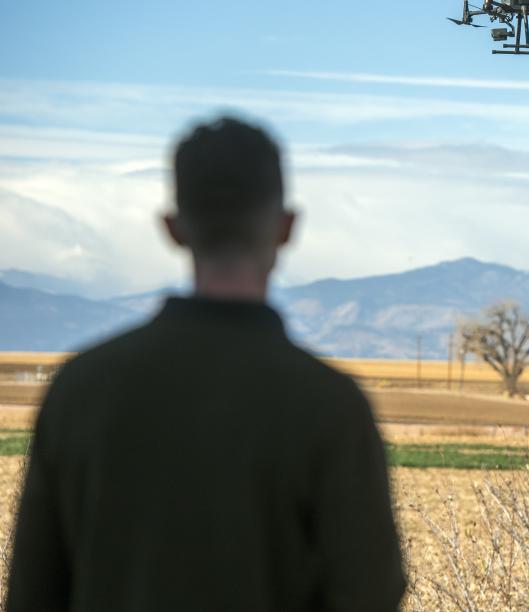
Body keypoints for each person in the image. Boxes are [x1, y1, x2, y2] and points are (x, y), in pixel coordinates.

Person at [5, 116, 406, 611]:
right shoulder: (331, 407)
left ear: (172, 229)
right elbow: (369, 596)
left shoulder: (80, 390)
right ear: (287, 228)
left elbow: (30, 595)